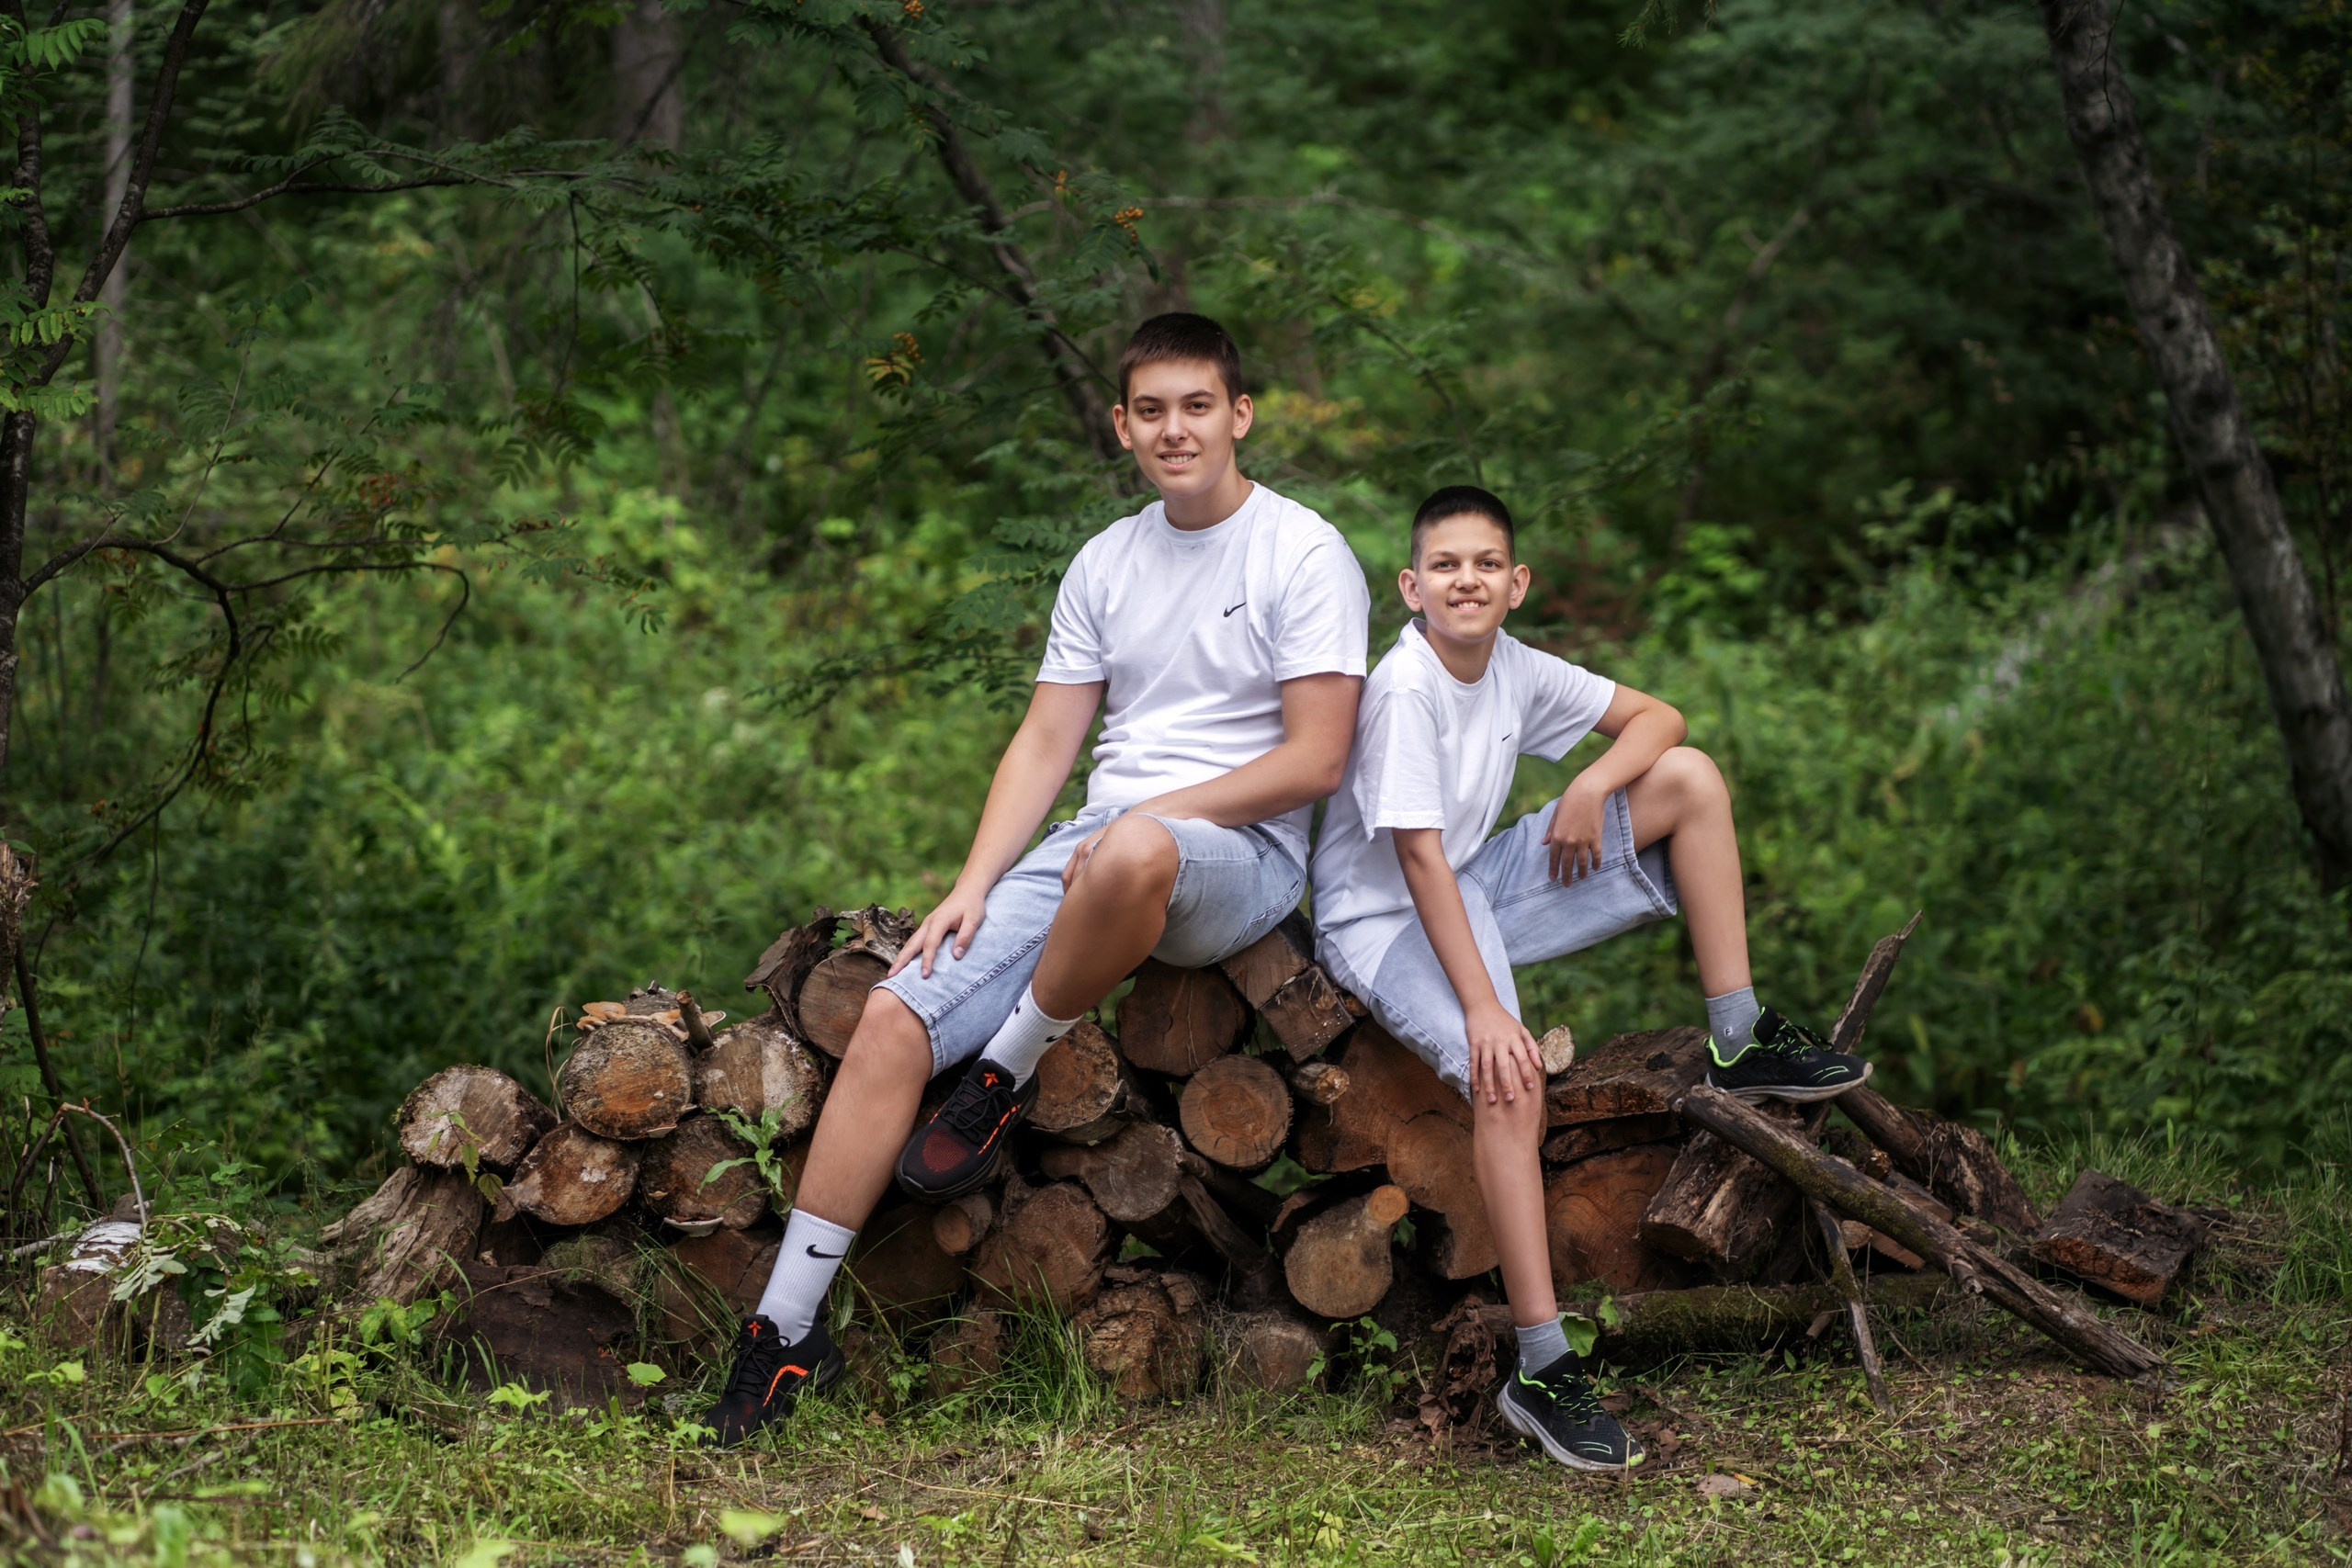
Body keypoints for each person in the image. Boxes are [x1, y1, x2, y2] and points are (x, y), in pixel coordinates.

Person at [709, 313, 1372, 1444]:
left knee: (1128, 845)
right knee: (890, 1017)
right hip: (1099, 844)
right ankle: (783, 1332)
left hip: (1237, 860)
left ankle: (1010, 1063)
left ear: (1239, 414)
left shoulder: (1303, 552)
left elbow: (1315, 758)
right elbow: (1045, 738)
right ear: (1122, 426)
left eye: (1197, 406)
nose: (1176, 429)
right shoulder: (1106, 560)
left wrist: (1145, 819)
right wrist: (975, 881)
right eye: (1152, 410)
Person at [1309, 484, 1871, 1472]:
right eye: (1444, 565)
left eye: (1486, 563)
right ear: (1410, 586)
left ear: (1516, 583)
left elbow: (1659, 716)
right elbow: (1414, 863)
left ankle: (1737, 1036)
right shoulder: (1404, 688)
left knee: (1689, 777)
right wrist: (1483, 1010)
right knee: (1511, 1078)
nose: (1466, 580)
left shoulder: (1514, 666)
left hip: (1472, 882)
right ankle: (1539, 1365)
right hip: (1383, 918)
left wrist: (1593, 780)